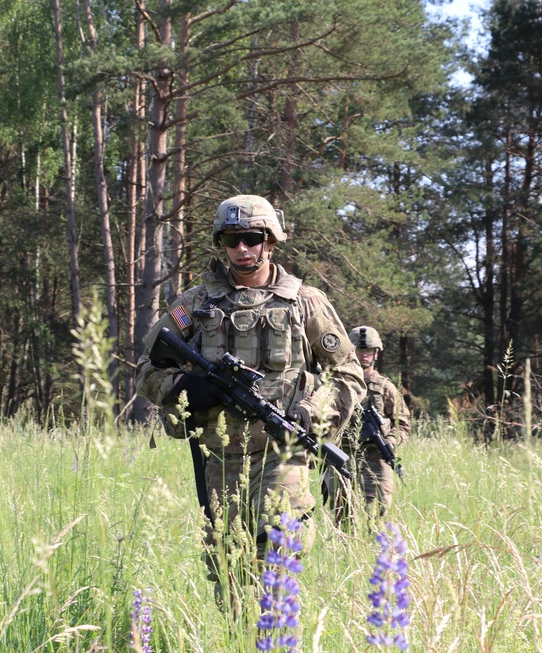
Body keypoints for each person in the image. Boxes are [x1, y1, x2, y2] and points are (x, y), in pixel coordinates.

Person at [135, 194, 365, 603]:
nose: (242, 249)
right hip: (220, 459)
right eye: (231, 240)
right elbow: (147, 369)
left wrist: (312, 411)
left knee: (277, 556)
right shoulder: (195, 305)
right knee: (230, 578)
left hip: (282, 453)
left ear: (271, 241)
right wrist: (188, 390)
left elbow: (347, 375)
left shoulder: (304, 302)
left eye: (251, 238)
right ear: (221, 244)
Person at [324, 325, 410, 523]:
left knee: (377, 512)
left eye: (369, 351)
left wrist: (389, 441)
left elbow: (402, 423)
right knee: (341, 513)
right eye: (360, 350)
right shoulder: (338, 384)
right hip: (342, 455)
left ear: (376, 354)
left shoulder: (385, 388)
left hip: (375, 458)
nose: (364, 355)